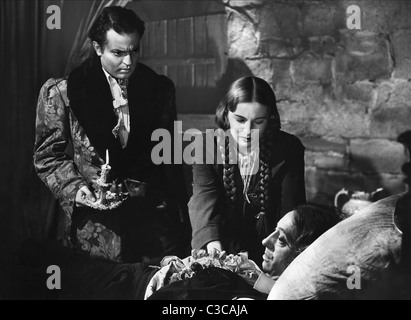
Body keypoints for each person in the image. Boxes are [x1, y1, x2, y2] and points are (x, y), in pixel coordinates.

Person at [33, 6, 190, 264]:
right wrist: (75, 188)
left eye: (134, 50)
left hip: (152, 227)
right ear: (97, 48)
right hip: (95, 230)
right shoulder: (62, 92)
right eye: (118, 53)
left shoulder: (159, 89)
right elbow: (47, 157)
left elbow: (168, 161)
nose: (128, 62)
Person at [3, 204, 340, 300]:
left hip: (130, 288)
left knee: (47, 279)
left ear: (303, 253)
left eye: (280, 239)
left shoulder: (252, 294)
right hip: (142, 273)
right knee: (60, 258)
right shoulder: (260, 277)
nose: (265, 241)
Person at [188, 76, 307, 265]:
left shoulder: (289, 148)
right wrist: (217, 259)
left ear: (270, 118)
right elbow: (204, 204)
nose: (248, 130)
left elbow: (291, 213)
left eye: (258, 121)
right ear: (226, 114)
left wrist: (278, 265)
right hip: (221, 248)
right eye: (240, 120)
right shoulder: (205, 146)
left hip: (272, 253)